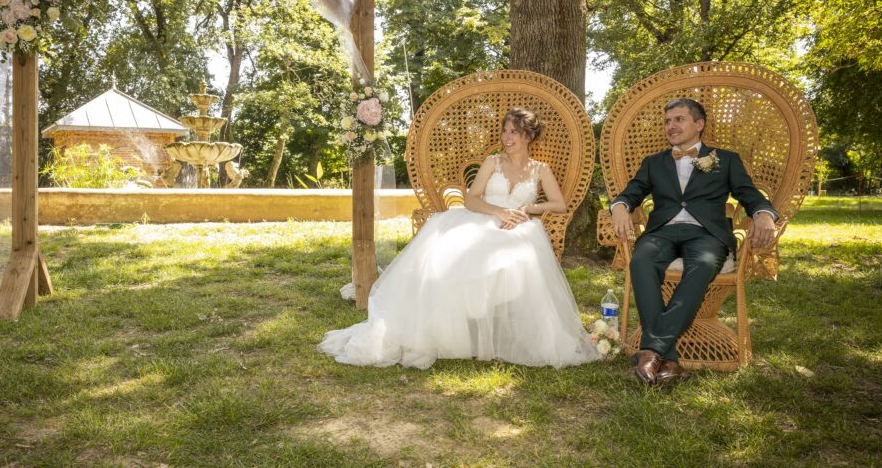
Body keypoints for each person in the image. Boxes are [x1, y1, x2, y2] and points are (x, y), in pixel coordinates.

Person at [319, 108, 600, 370]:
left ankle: (500, 331)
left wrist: (528, 209)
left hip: (519, 228)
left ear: (529, 136)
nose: (507, 137)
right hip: (481, 219)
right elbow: (471, 199)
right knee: (452, 258)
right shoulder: (493, 163)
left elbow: (559, 204)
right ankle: (449, 329)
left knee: (511, 258)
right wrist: (499, 212)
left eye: (514, 132)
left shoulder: (540, 169)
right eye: (505, 131)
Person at [610, 98, 777, 387]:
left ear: (699, 125)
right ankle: (669, 360)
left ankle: (650, 350)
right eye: (667, 121)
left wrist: (763, 214)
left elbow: (749, 194)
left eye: (679, 119)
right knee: (641, 259)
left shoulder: (726, 159)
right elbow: (630, 193)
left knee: (701, 264)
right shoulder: (654, 163)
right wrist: (620, 207)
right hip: (661, 232)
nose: (671, 126)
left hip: (706, 234)